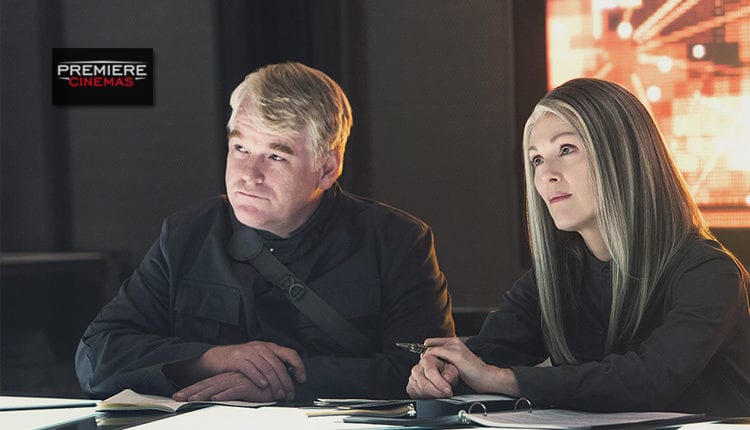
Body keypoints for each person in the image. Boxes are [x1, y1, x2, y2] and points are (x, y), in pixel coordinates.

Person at [76, 62, 455, 402]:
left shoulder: (396, 242)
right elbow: (95, 356)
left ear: (327, 168)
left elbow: (424, 373)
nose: (249, 175)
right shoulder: (186, 235)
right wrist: (211, 360)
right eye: (240, 148)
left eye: (275, 156)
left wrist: (285, 383)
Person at [406, 78, 750, 416]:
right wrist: (445, 370)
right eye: (536, 160)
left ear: (623, 155)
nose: (546, 175)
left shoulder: (710, 273)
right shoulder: (555, 276)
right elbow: (491, 350)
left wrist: (500, 379)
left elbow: (648, 379)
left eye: (566, 150)